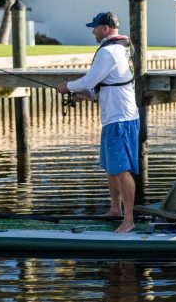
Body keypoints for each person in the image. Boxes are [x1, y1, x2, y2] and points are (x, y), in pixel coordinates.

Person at [57, 12, 139, 233]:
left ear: (104, 29)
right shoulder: (120, 49)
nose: (92, 31)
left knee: (121, 170)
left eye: (94, 27)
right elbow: (107, 84)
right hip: (116, 117)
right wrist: (84, 96)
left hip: (120, 119)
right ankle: (115, 209)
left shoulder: (109, 51)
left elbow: (89, 81)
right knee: (111, 168)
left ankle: (129, 219)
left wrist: (67, 86)